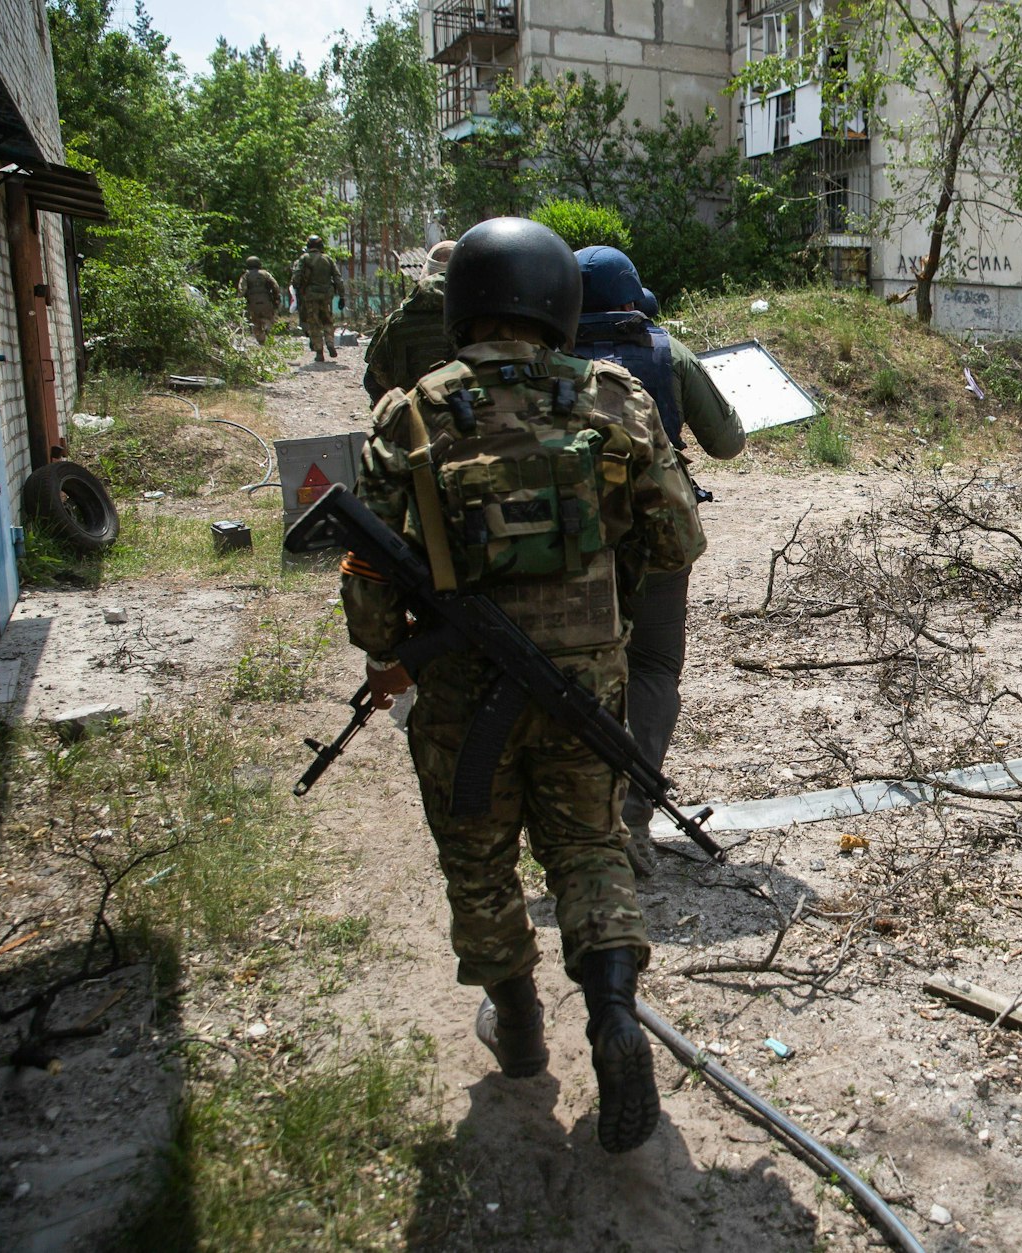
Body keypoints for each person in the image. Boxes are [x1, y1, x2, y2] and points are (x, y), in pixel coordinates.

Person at [342, 217, 688, 1154]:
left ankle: (523, 1031)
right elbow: (675, 542)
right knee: (588, 847)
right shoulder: (613, 398)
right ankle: (613, 1011)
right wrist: (601, 602)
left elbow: (368, 576)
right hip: (585, 683)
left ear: (464, 304)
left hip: (459, 685)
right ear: (557, 301)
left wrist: (391, 654)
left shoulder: (407, 416)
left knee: (479, 858)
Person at [573, 245, 744, 876]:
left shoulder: (544, 360)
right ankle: (633, 817)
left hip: (565, 546)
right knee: (651, 669)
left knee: (569, 672)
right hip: (656, 540)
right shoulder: (666, 352)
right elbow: (727, 443)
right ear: (630, 299)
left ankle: (573, 820)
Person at [362, 239, 458, 404]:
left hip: (413, 420)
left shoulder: (396, 322)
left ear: (426, 273)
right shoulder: (482, 322)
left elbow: (374, 381)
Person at [290, 234, 344, 363]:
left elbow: (297, 276)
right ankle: (330, 343)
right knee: (327, 320)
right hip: (327, 295)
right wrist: (342, 295)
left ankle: (319, 351)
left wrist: (297, 287)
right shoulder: (328, 259)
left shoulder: (304, 258)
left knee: (314, 323)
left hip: (310, 296)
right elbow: (338, 278)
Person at [237, 256, 281, 344]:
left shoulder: (246, 275)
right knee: (268, 319)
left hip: (252, 303)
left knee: (255, 323)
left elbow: (242, 290)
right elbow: (275, 286)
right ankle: (268, 330)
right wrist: (276, 297)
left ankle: (261, 340)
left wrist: (239, 302)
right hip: (266, 301)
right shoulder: (265, 274)